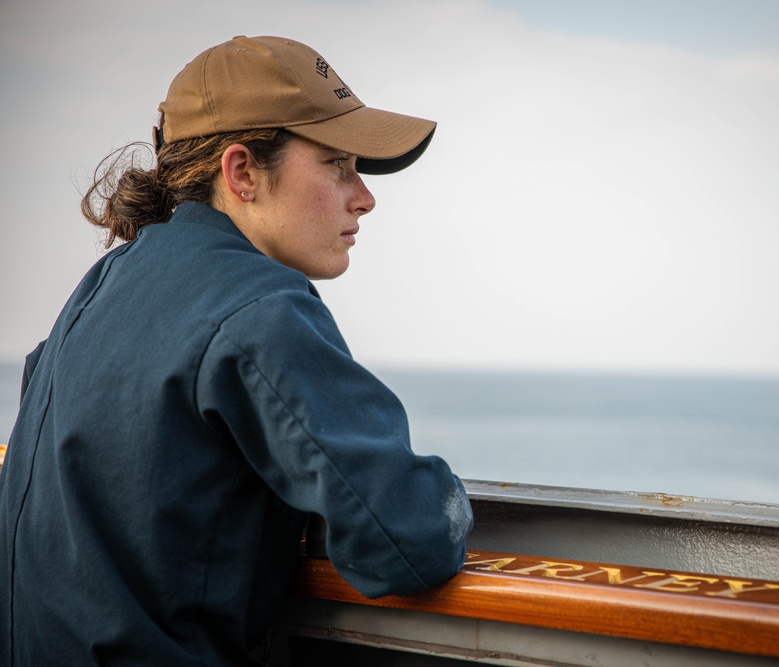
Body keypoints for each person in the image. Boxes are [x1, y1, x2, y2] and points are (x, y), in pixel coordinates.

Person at [0, 35, 473, 666]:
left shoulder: (103, 285)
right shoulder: (260, 306)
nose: (364, 196)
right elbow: (408, 539)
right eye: (337, 164)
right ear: (242, 172)